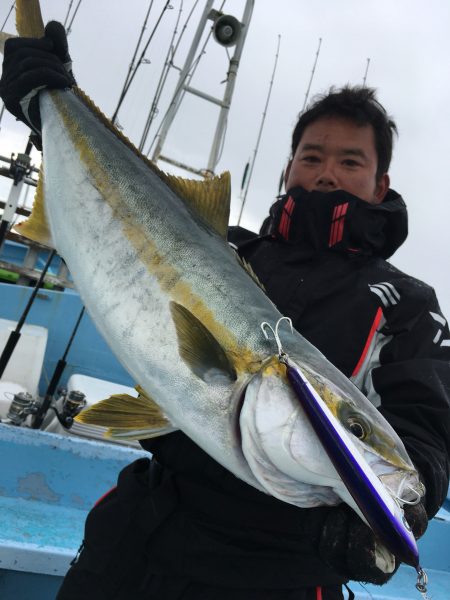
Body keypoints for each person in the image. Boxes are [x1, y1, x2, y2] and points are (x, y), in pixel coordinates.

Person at [2, 22, 450, 600]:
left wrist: (400, 513)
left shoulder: (406, 302)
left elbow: (424, 428)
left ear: (380, 181)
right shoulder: (230, 248)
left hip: (278, 571)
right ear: (288, 168)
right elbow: (111, 211)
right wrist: (49, 110)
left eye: (349, 161)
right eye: (311, 156)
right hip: (139, 536)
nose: (327, 172)